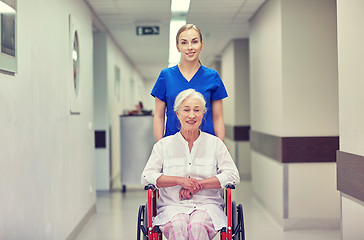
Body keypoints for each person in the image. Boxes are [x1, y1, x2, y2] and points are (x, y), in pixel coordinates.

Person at [141, 89, 240, 240]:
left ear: (203, 114)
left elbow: (233, 175)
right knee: (178, 225)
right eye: (186, 110)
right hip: (172, 207)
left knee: (197, 226)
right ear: (177, 114)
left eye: (197, 110)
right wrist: (180, 181)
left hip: (208, 207)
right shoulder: (163, 146)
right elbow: (147, 176)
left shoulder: (215, 144)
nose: (192, 115)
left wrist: (199, 184)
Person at [151, 24, 228, 142]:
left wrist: (220, 146)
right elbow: (159, 116)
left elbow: (218, 118)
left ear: (201, 45)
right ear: (178, 47)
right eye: (184, 42)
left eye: (194, 42)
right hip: (173, 146)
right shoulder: (166, 76)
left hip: (207, 146)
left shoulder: (212, 77)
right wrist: (160, 147)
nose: (190, 47)